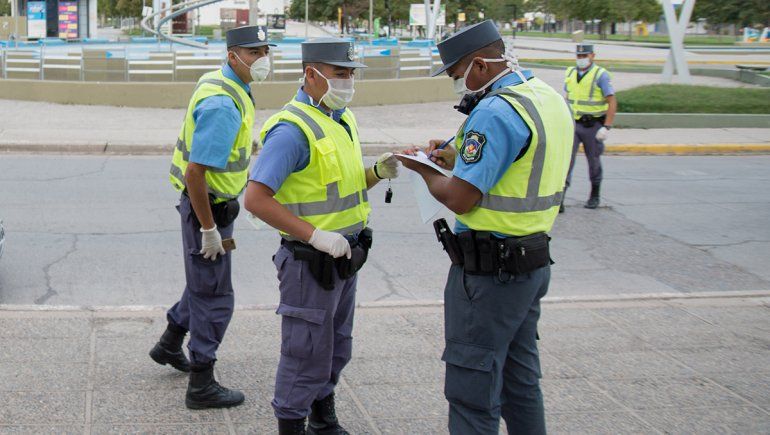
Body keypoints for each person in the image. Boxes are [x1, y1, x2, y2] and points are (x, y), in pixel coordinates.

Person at [397, 20, 573, 434]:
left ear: (479, 66)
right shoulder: (545, 97)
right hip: (530, 263)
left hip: (488, 277)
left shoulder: (495, 110)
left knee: (472, 391)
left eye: (457, 75)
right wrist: (452, 157)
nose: (458, 85)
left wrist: (421, 169)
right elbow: (515, 164)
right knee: (520, 382)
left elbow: (459, 198)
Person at [243, 38, 399, 435]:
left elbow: (340, 186)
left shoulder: (341, 118)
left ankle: (323, 419)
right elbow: (256, 199)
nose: (348, 82)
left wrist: (376, 173)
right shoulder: (292, 130)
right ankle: (292, 424)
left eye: (351, 74)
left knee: (336, 345)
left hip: (346, 257)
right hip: (310, 262)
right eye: (339, 74)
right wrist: (315, 236)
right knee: (305, 352)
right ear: (311, 75)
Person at [149, 25, 274, 410]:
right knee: (214, 295)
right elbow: (195, 173)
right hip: (207, 209)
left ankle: (170, 343)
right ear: (234, 54)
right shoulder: (223, 103)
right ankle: (202, 383)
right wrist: (208, 229)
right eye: (255, 52)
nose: (263, 59)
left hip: (214, 206)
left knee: (203, 281)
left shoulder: (226, 81)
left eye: (266, 50)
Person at [563, 44, 617, 210]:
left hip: (592, 126)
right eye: (578, 56)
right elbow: (567, 97)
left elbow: (612, 101)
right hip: (573, 124)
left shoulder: (600, 75)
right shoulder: (570, 73)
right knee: (565, 162)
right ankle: (560, 198)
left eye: (584, 56)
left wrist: (606, 127)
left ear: (592, 56)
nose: (581, 59)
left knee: (593, 161)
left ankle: (595, 195)